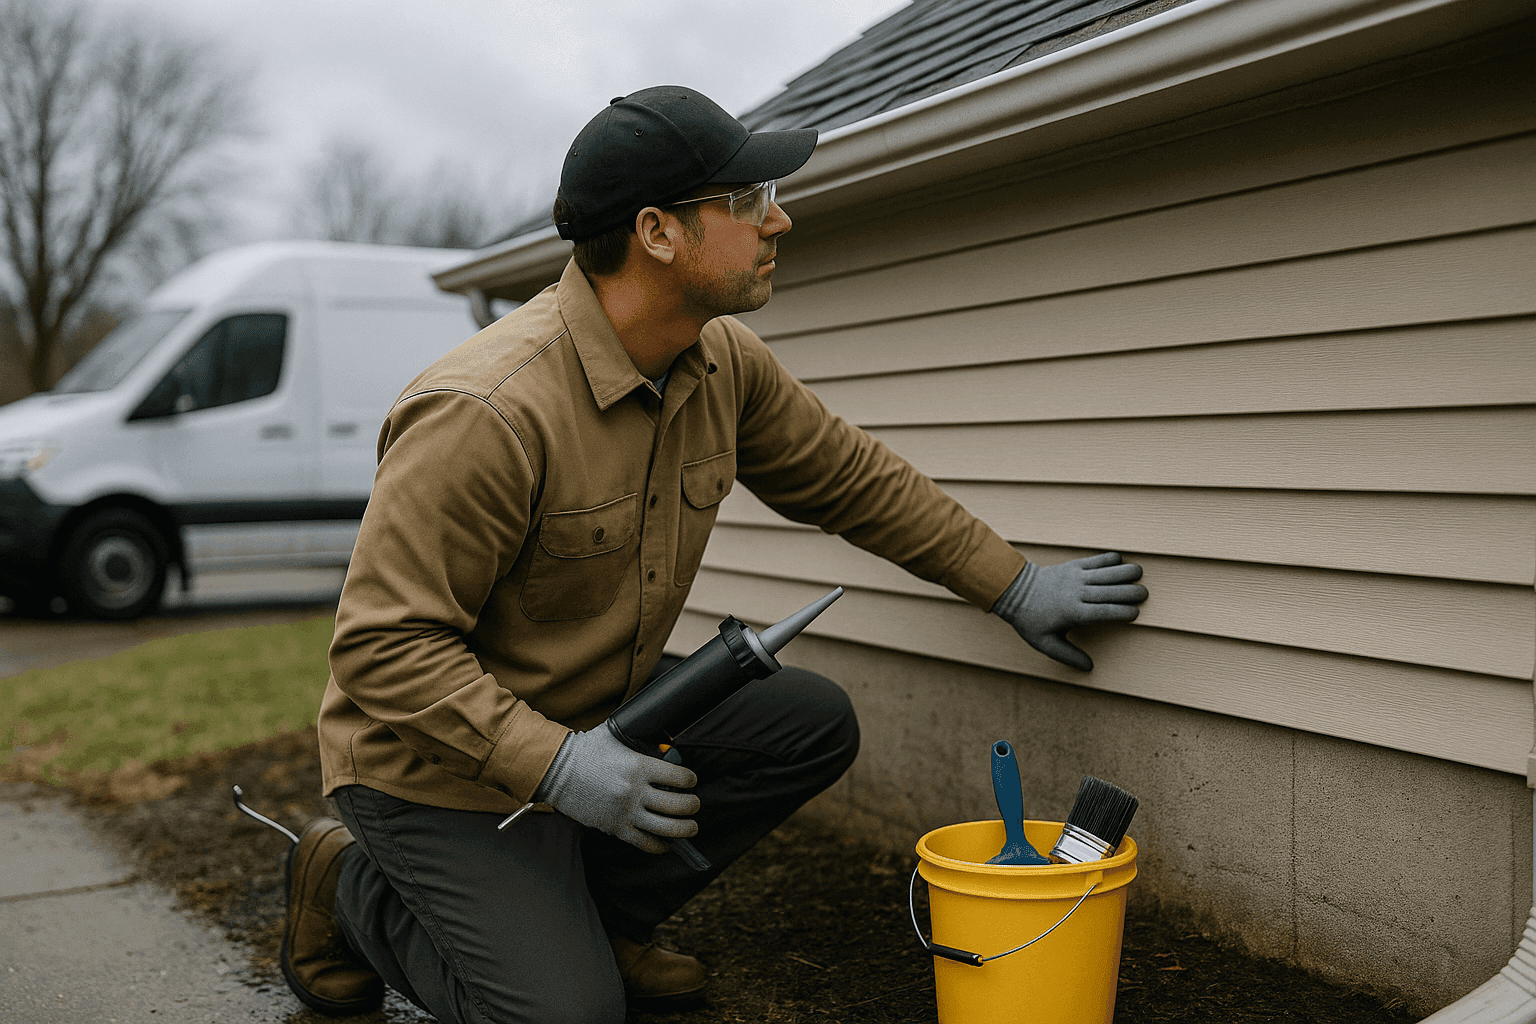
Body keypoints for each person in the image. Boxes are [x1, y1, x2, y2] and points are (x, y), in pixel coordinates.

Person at [279, 86, 1149, 1023]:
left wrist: (1013, 586)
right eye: (746, 200)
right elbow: (382, 653)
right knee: (566, 1017)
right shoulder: (485, 414)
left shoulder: (718, 361)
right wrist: (563, 769)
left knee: (806, 722)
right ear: (658, 232)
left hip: (598, 721)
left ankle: (596, 919)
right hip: (432, 772)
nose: (779, 217)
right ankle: (346, 884)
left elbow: (852, 478)